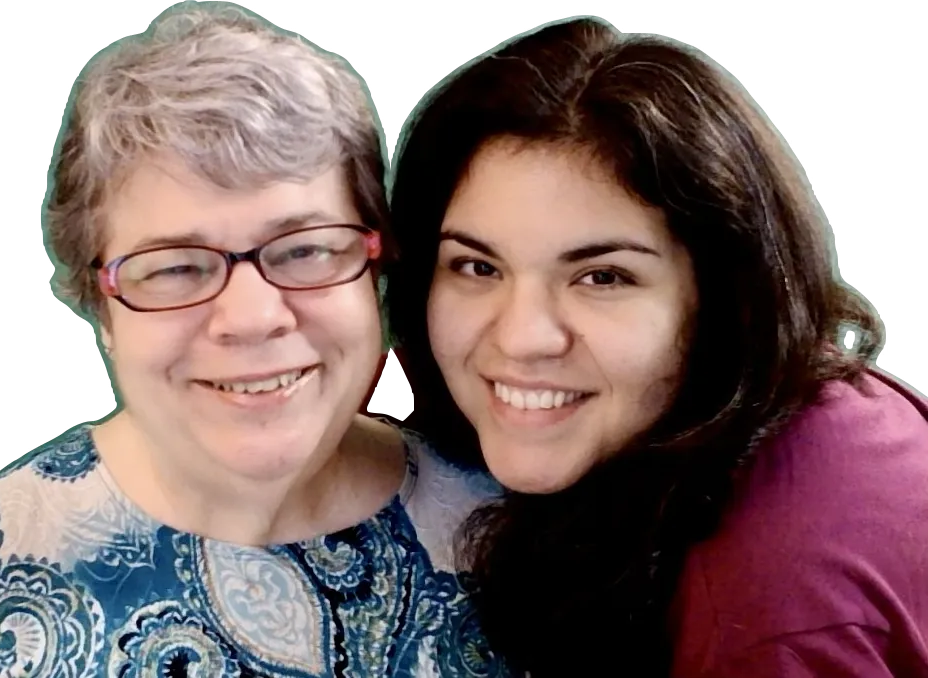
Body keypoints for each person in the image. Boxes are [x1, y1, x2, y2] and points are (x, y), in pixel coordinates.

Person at [381, 15, 928, 678]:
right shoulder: (783, 398)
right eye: (477, 267)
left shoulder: (762, 620)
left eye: (602, 277)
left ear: (720, 296)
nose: (522, 337)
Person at [0, 3, 512, 675]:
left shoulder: (518, 539)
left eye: (303, 251)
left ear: (377, 272)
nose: (254, 317)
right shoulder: (6, 556)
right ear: (100, 307)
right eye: (176, 266)